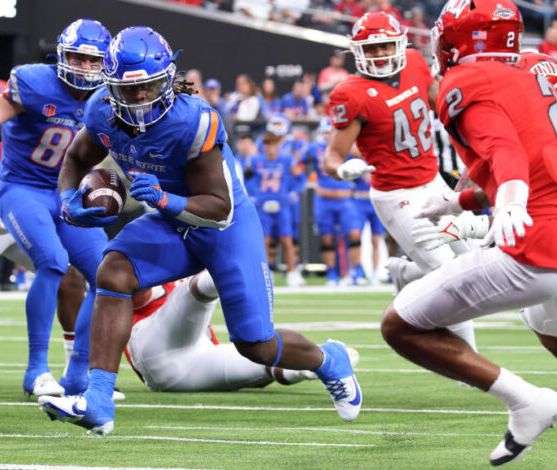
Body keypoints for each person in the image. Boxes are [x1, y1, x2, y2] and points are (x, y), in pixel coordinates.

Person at [38, 26, 361, 437]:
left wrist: (163, 200)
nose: (137, 99)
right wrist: (68, 201)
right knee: (112, 273)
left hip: (223, 227)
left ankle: (327, 359)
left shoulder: (193, 119)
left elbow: (218, 206)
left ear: (167, 79)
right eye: (126, 89)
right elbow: (77, 156)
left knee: (255, 343)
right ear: (110, 85)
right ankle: (99, 400)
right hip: (172, 221)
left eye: (147, 87)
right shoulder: (102, 109)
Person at [381, 0, 557, 465]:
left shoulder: (465, 81)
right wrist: (462, 200)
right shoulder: (534, 71)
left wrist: (511, 200)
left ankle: (527, 403)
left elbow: (506, 153)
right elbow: (540, 155)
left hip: (546, 238)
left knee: (400, 327)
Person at [0, 19, 111, 397]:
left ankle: (79, 372)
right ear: (61, 56)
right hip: (23, 188)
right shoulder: (35, 81)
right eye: (77, 59)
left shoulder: (110, 99)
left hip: (70, 192)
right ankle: (36, 369)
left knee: (107, 274)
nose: (84, 68)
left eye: (92, 61)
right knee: (51, 261)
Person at [323, 11, 477, 349]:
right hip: (396, 195)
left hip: (434, 182)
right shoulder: (351, 93)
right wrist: (343, 169)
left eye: (385, 46)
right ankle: (473, 364)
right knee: (450, 276)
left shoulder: (415, 63)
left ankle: (406, 274)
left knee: (477, 260)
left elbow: (445, 108)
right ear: (357, 51)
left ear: (400, 44)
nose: (379, 55)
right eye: (371, 48)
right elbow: (331, 158)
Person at [126, 270, 358, 391]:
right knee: (199, 287)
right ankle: (231, 271)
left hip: (193, 362)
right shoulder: (148, 263)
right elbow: (130, 286)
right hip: (152, 349)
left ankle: (319, 363)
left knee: (266, 360)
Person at [249, 114, 304, 287]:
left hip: (282, 204)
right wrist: (253, 196)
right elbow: (247, 179)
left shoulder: (287, 160)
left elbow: (300, 178)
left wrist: (294, 192)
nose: (270, 148)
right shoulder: (256, 161)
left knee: (286, 239)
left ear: (279, 145)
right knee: (264, 240)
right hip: (263, 204)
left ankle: (292, 272)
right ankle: (267, 273)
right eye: (267, 144)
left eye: (273, 144)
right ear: (263, 146)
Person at [307, 118, 362, 286]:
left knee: (354, 234)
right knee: (326, 238)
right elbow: (297, 165)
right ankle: (331, 274)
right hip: (324, 198)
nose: (328, 136)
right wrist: (310, 181)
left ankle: (356, 271)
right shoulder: (314, 149)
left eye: (330, 132)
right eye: (325, 132)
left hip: (345, 197)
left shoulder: (345, 146)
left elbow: (361, 157)